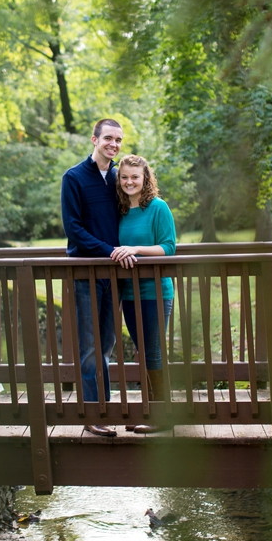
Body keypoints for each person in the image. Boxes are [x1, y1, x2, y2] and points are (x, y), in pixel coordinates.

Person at [60, 117, 124, 436]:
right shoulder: (73, 177)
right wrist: (110, 250)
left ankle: (105, 408)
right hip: (86, 272)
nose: (114, 144)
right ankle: (91, 413)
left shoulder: (118, 178)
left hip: (114, 273)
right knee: (89, 346)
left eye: (118, 140)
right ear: (94, 140)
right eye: (108, 138)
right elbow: (73, 229)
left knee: (107, 343)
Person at [111, 154, 177, 435]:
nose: (129, 182)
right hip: (129, 292)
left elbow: (169, 247)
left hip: (155, 291)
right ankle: (151, 411)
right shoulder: (121, 210)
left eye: (135, 177)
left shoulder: (158, 207)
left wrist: (136, 250)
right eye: (124, 177)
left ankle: (163, 415)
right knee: (144, 352)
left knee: (153, 352)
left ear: (145, 178)